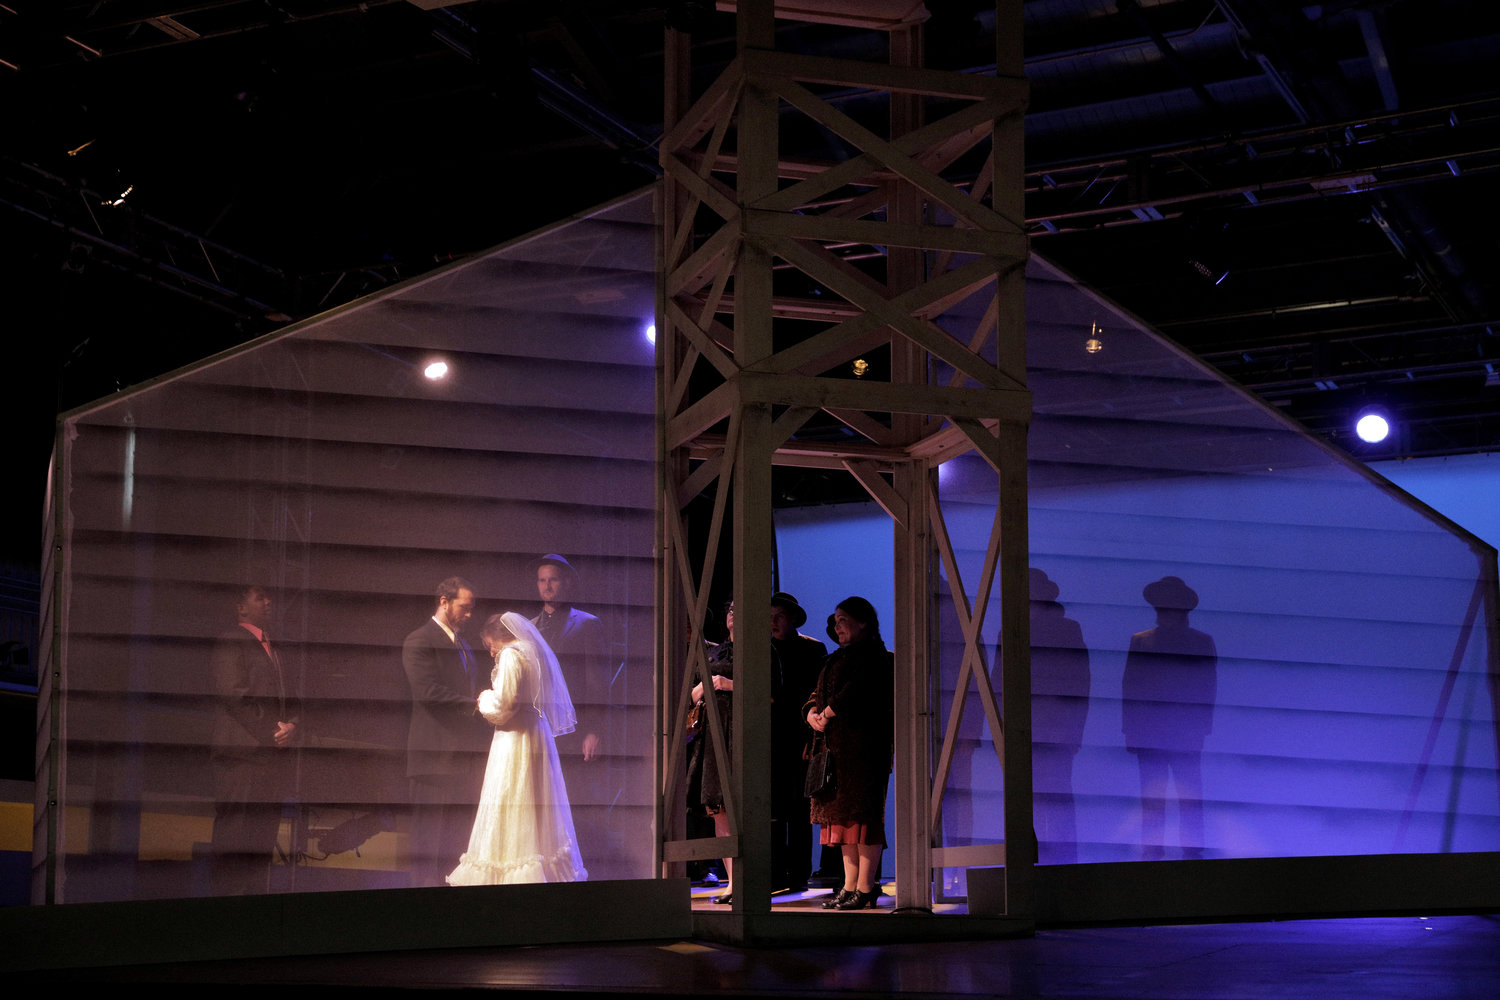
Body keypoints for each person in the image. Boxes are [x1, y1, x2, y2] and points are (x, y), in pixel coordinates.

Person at [448, 613, 588, 885]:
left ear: (500, 636)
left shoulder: (512, 654)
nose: (491, 651)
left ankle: (510, 872)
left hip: (516, 738)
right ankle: (543, 867)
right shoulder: (533, 651)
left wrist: (483, 699)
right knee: (533, 798)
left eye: (490, 644)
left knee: (510, 795)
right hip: (536, 733)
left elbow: (505, 705)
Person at [805, 596, 894, 910]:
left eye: (843, 619)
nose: (837, 625)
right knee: (841, 821)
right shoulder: (836, 659)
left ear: (863, 622)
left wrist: (828, 712)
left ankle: (866, 886)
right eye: (835, 619)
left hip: (863, 751)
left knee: (863, 818)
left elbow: (856, 692)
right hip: (835, 751)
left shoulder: (874, 657)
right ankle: (849, 885)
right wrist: (812, 713)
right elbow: (817, 694)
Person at [209, 585, 300, 895]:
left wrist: (292, 726)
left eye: (268, 596)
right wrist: (273, 730)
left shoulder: (274, 649)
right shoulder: (231, 642)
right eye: (259, 597)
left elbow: (291, 704)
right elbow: (234, 695)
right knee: (234, 840)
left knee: (261, 844)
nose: (268, 601)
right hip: (241, 758)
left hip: (270, 760)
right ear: (241, 608)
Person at [403, 577, 491, 886]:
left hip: (460, 760)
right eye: (464, 608)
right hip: (432, 758)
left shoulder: (464, 644)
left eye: (471, 609)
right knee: (427, 843)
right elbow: (427, 692)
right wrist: (475, 704)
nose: (469, 615)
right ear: (444, 601)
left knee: (453, 844)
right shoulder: (420, 639)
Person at [1122, 575, 1217, 860]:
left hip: (1179, 731)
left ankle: (1184, 844)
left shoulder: (1199, 642)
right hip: (1158, 731)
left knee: (1181, 790)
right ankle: (1161, 845)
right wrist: (1130, 730)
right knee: (1158, 791)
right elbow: (1131, 685)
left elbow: (1208, 686)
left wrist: (1201, 728)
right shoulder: (1143, 641)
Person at [528, 553, 610, 870]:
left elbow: (597, 682)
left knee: (574, 800)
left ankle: (577, 866)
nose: (548, 586)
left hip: (574, 732)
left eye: (554, 580)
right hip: (537, 729)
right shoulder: (529, 627)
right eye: (542, 580)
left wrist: (594, 730)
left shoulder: (587, 624)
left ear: (566, 583)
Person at [1029, 568, 1091, 864]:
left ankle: (1053, 856)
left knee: (1047, 794)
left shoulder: (1066, 630)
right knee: (1050, 794)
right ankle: (1056, 857)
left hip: (1047, 727)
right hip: (1045, 727)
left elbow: (1080, 679)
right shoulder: (1068, 628)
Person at [768, 592, 825, 891]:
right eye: (770, 616)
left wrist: (810, 740)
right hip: (768, 739)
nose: (773, 622)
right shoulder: (761, 649)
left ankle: (799, 874)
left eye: (779, 616)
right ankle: (775, 874)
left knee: (800, 810)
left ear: (792, 618)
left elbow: (814, 696)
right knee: (772, 809)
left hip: (800, 739)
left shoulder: (812, 650)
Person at [684, 601, 736, 904]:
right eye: (729, 608)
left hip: (737, 733)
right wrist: (700, 688)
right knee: (718, 809)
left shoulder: (761, 650)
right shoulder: (715, 652)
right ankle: (732, 881)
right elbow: (694, 691)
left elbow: (772, 693)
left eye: (738, 608)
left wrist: (727, 683)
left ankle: (743, 880)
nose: (732, 612)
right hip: (712, 735)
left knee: (736, 807)